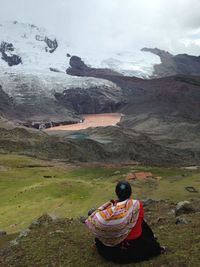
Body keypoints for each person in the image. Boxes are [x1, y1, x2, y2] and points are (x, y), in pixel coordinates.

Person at [85, 180, 164, 264]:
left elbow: (97, 220)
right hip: (135, 247)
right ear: (130, 192)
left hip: (113, 250)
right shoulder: (137, 204)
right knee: (141, 222)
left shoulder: (110, 209)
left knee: (101, 240)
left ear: (116, 193)